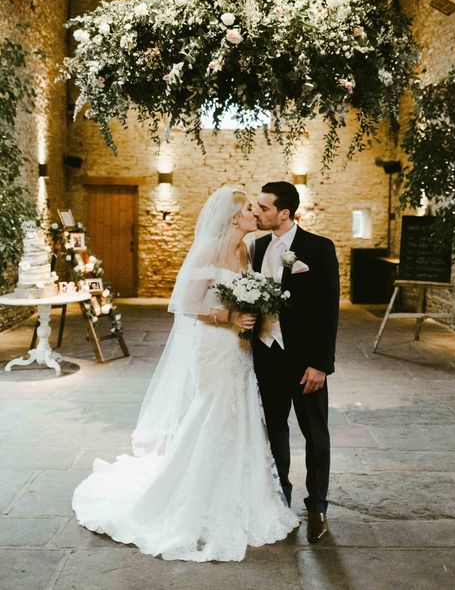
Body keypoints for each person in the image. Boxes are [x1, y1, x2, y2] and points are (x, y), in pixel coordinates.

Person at [72, 187, 298, 562]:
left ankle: (239, 496)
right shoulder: (209, 248)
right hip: (212, 343)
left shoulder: (245, 250)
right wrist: (227, 317)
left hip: (238, 349)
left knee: (238, 413)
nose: (254, 214)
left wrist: (249, 316)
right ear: (232, 217)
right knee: (212, 411)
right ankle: (193, 497)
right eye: (247, 209)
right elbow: (184, 303)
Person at [252, 181, 339, 544]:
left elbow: (328, 310)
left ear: (284, 213)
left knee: (315, 434)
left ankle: (317, 506)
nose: (257, 213)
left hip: (306, 363)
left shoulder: (318, 249)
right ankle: (280, 497)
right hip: (266, 356)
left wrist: (320, 364)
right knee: (274, 431)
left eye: (264, 208)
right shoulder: (256, 247)